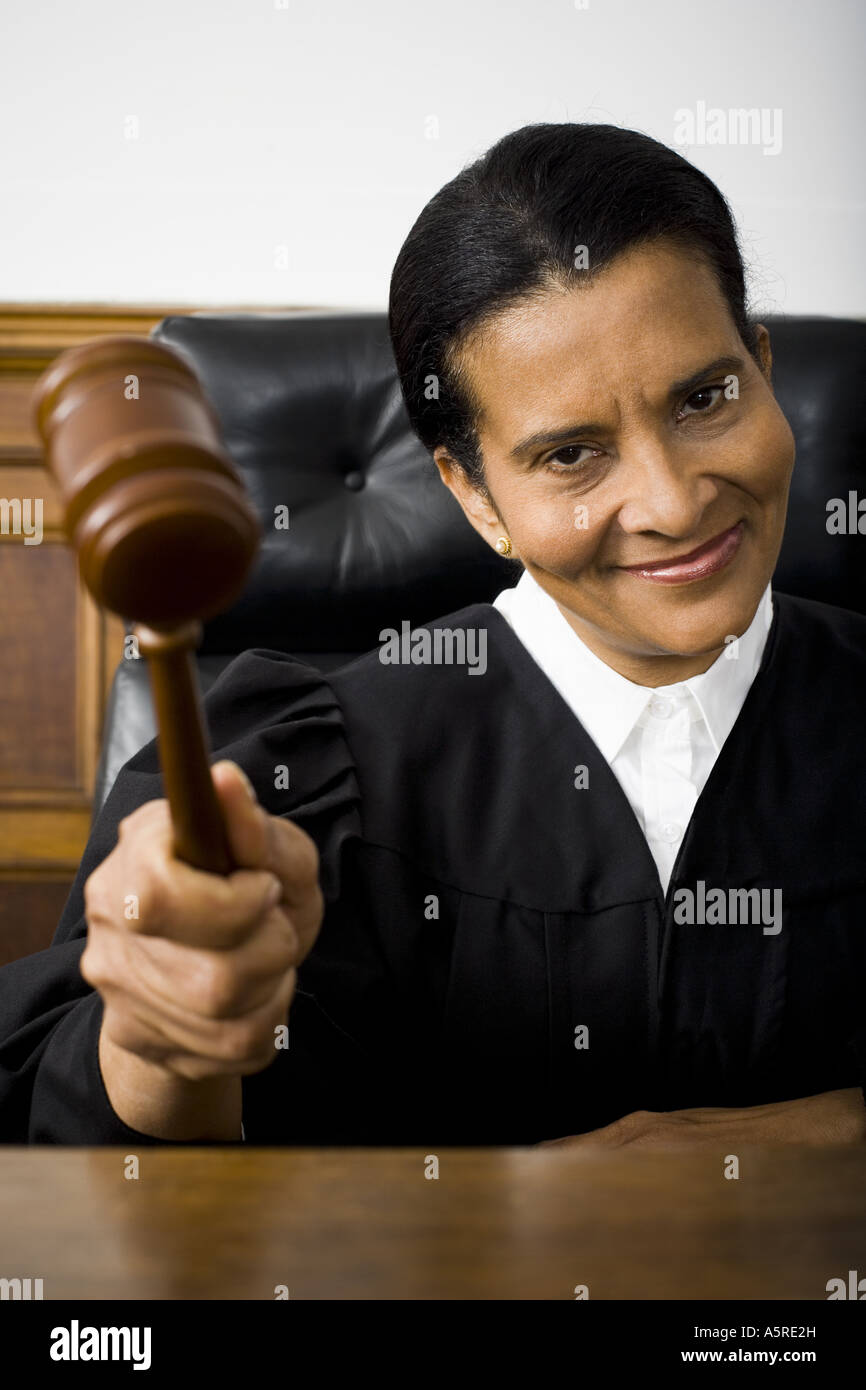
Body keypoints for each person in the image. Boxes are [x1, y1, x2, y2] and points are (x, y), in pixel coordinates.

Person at [1, 123, 864, 1147]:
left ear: (760, 369)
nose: (672, 502)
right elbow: (77, 1161)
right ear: (473, 495)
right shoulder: (304, 772)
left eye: (704, 397)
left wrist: (766, 1145)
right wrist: (155, 1041)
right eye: (570, 455)